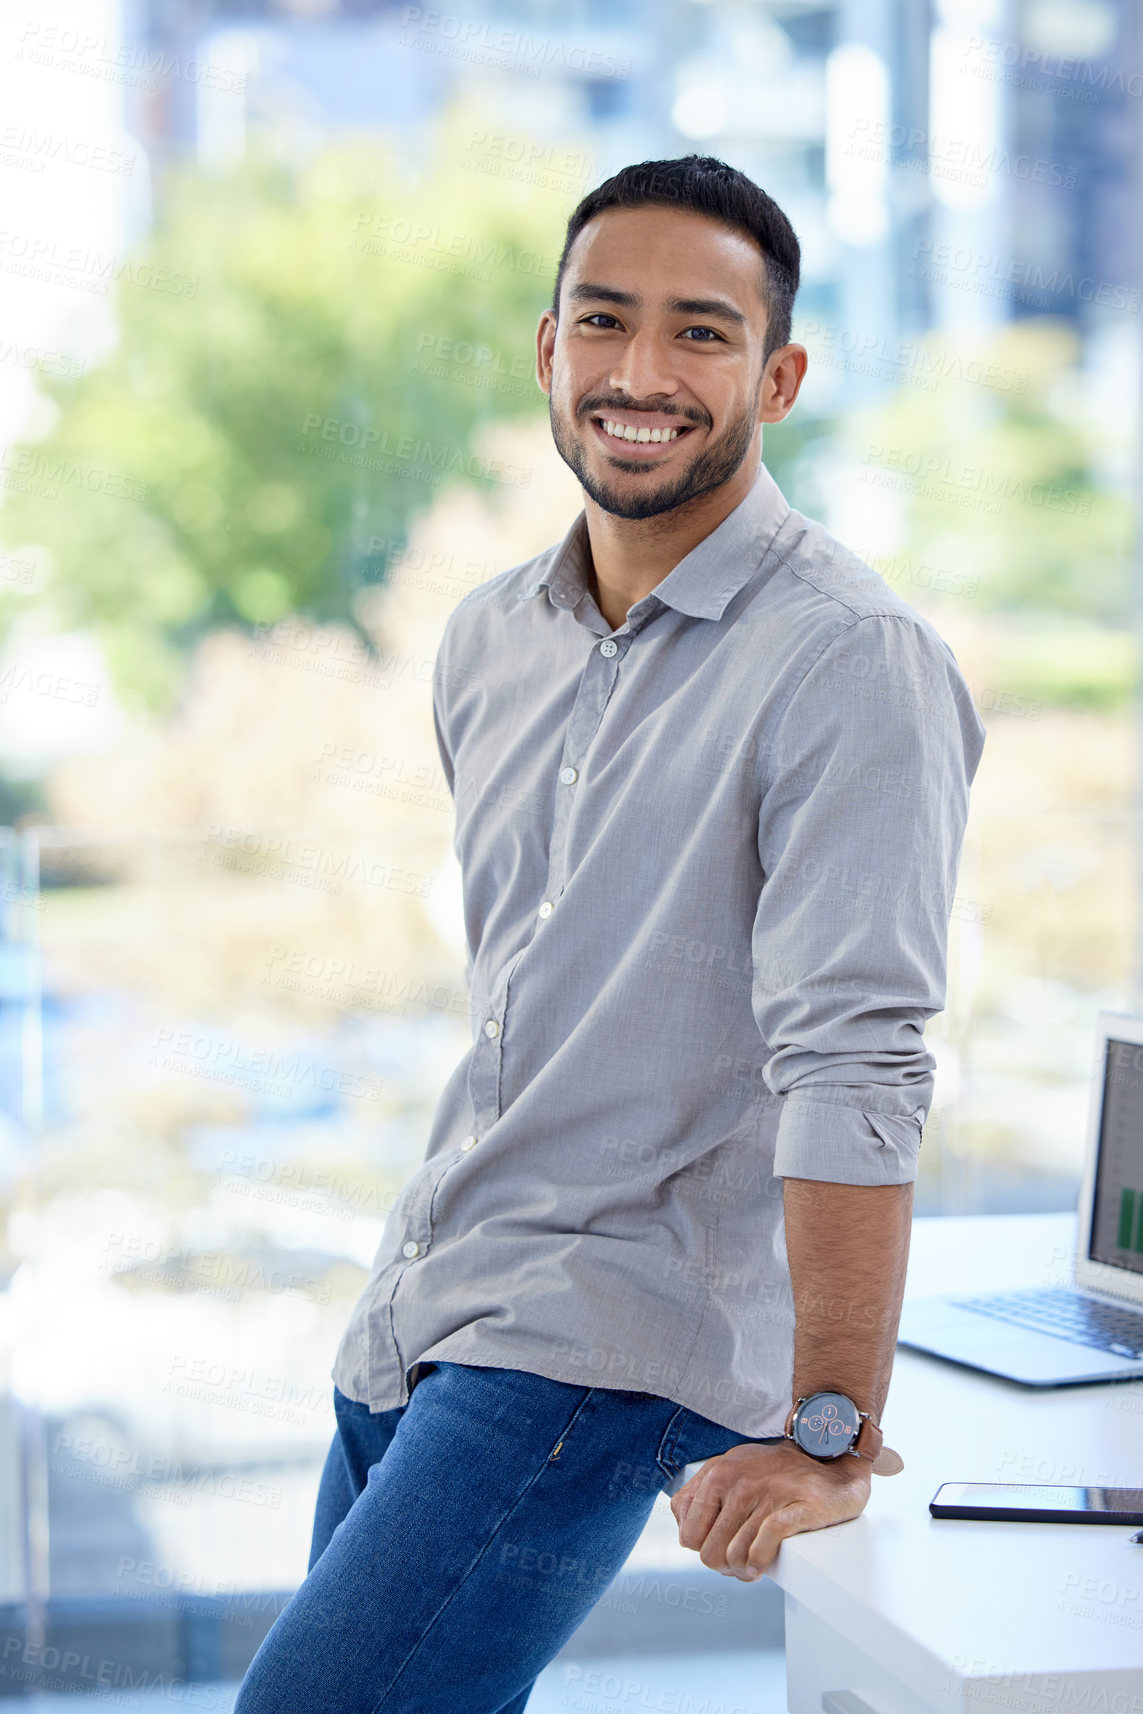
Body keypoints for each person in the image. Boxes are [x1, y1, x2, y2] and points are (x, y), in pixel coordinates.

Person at [234, 153, 986, 1714]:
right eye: (605, 321)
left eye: (701, 334)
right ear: (548, 349)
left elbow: (856, 1056)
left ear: (776, 375)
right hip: (430, 1295)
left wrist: (829, 1423)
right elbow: (528, 997)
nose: (642, 374)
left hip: (601, 1340)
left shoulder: (851, 661)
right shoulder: (487, 637)